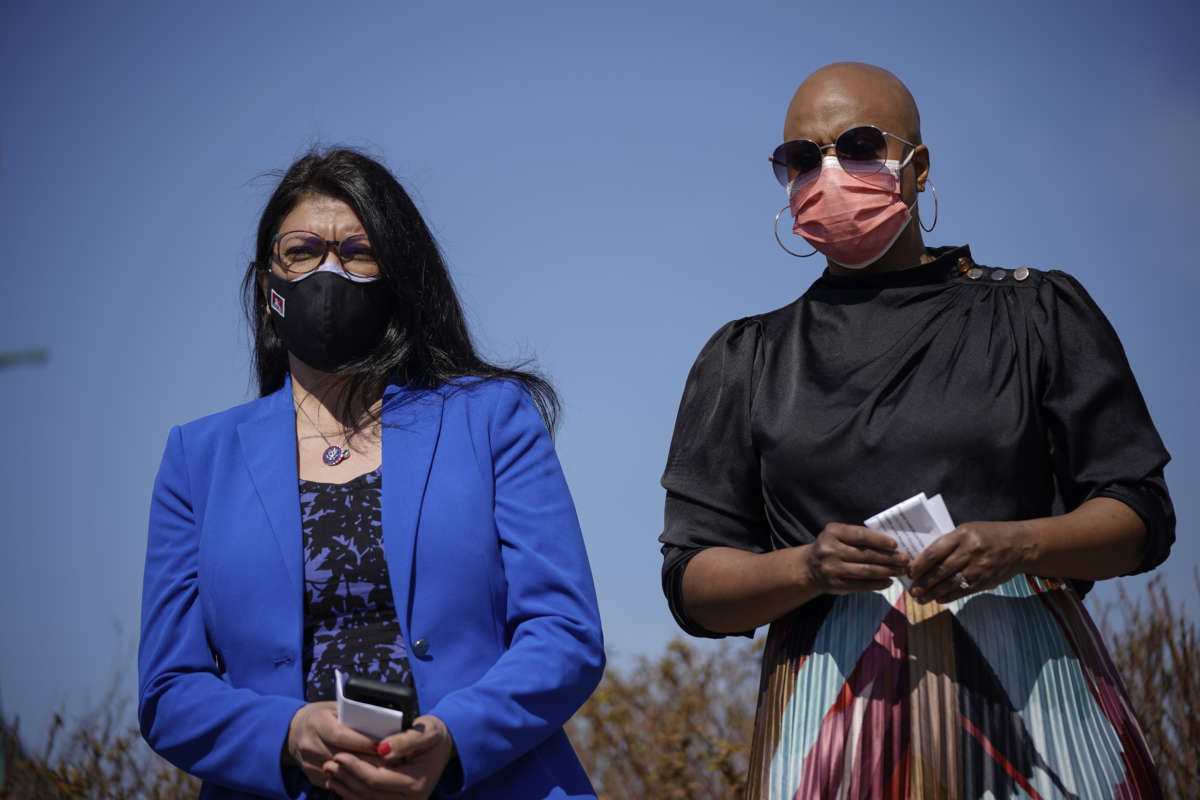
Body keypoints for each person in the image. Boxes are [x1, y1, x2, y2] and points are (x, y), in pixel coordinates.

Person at [659, 63, 1172, 798]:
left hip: (1039, 720)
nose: (829, 172)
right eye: (801, 159)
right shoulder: (745, 359)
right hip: (829, 739)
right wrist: (806, 568)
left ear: (918, 168)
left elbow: (1139, 515)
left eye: (859, 145)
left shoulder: (1037, 313)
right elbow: (694, 579)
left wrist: (1021, 543)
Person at [139, 148, 605, 800]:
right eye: (302, 250)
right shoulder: (199, 458)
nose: (329, 269)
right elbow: (169, 688)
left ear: (399, 276)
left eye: (358, 251)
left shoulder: (490, 419)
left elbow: (565, 634)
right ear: (266, 282)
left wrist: (453, 738)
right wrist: (288, 732)